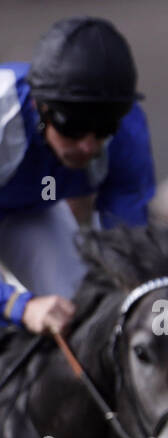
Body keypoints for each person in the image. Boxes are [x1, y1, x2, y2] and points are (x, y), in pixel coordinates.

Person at [0, 17, 155, 339]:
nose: (87, 145)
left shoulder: (127, 131)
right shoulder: (5, 114)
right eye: (72, 126)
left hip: (29, 209)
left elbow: (125, 244)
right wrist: (19, 306)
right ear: (37, 104)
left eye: (103, 129)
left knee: (84, 319)